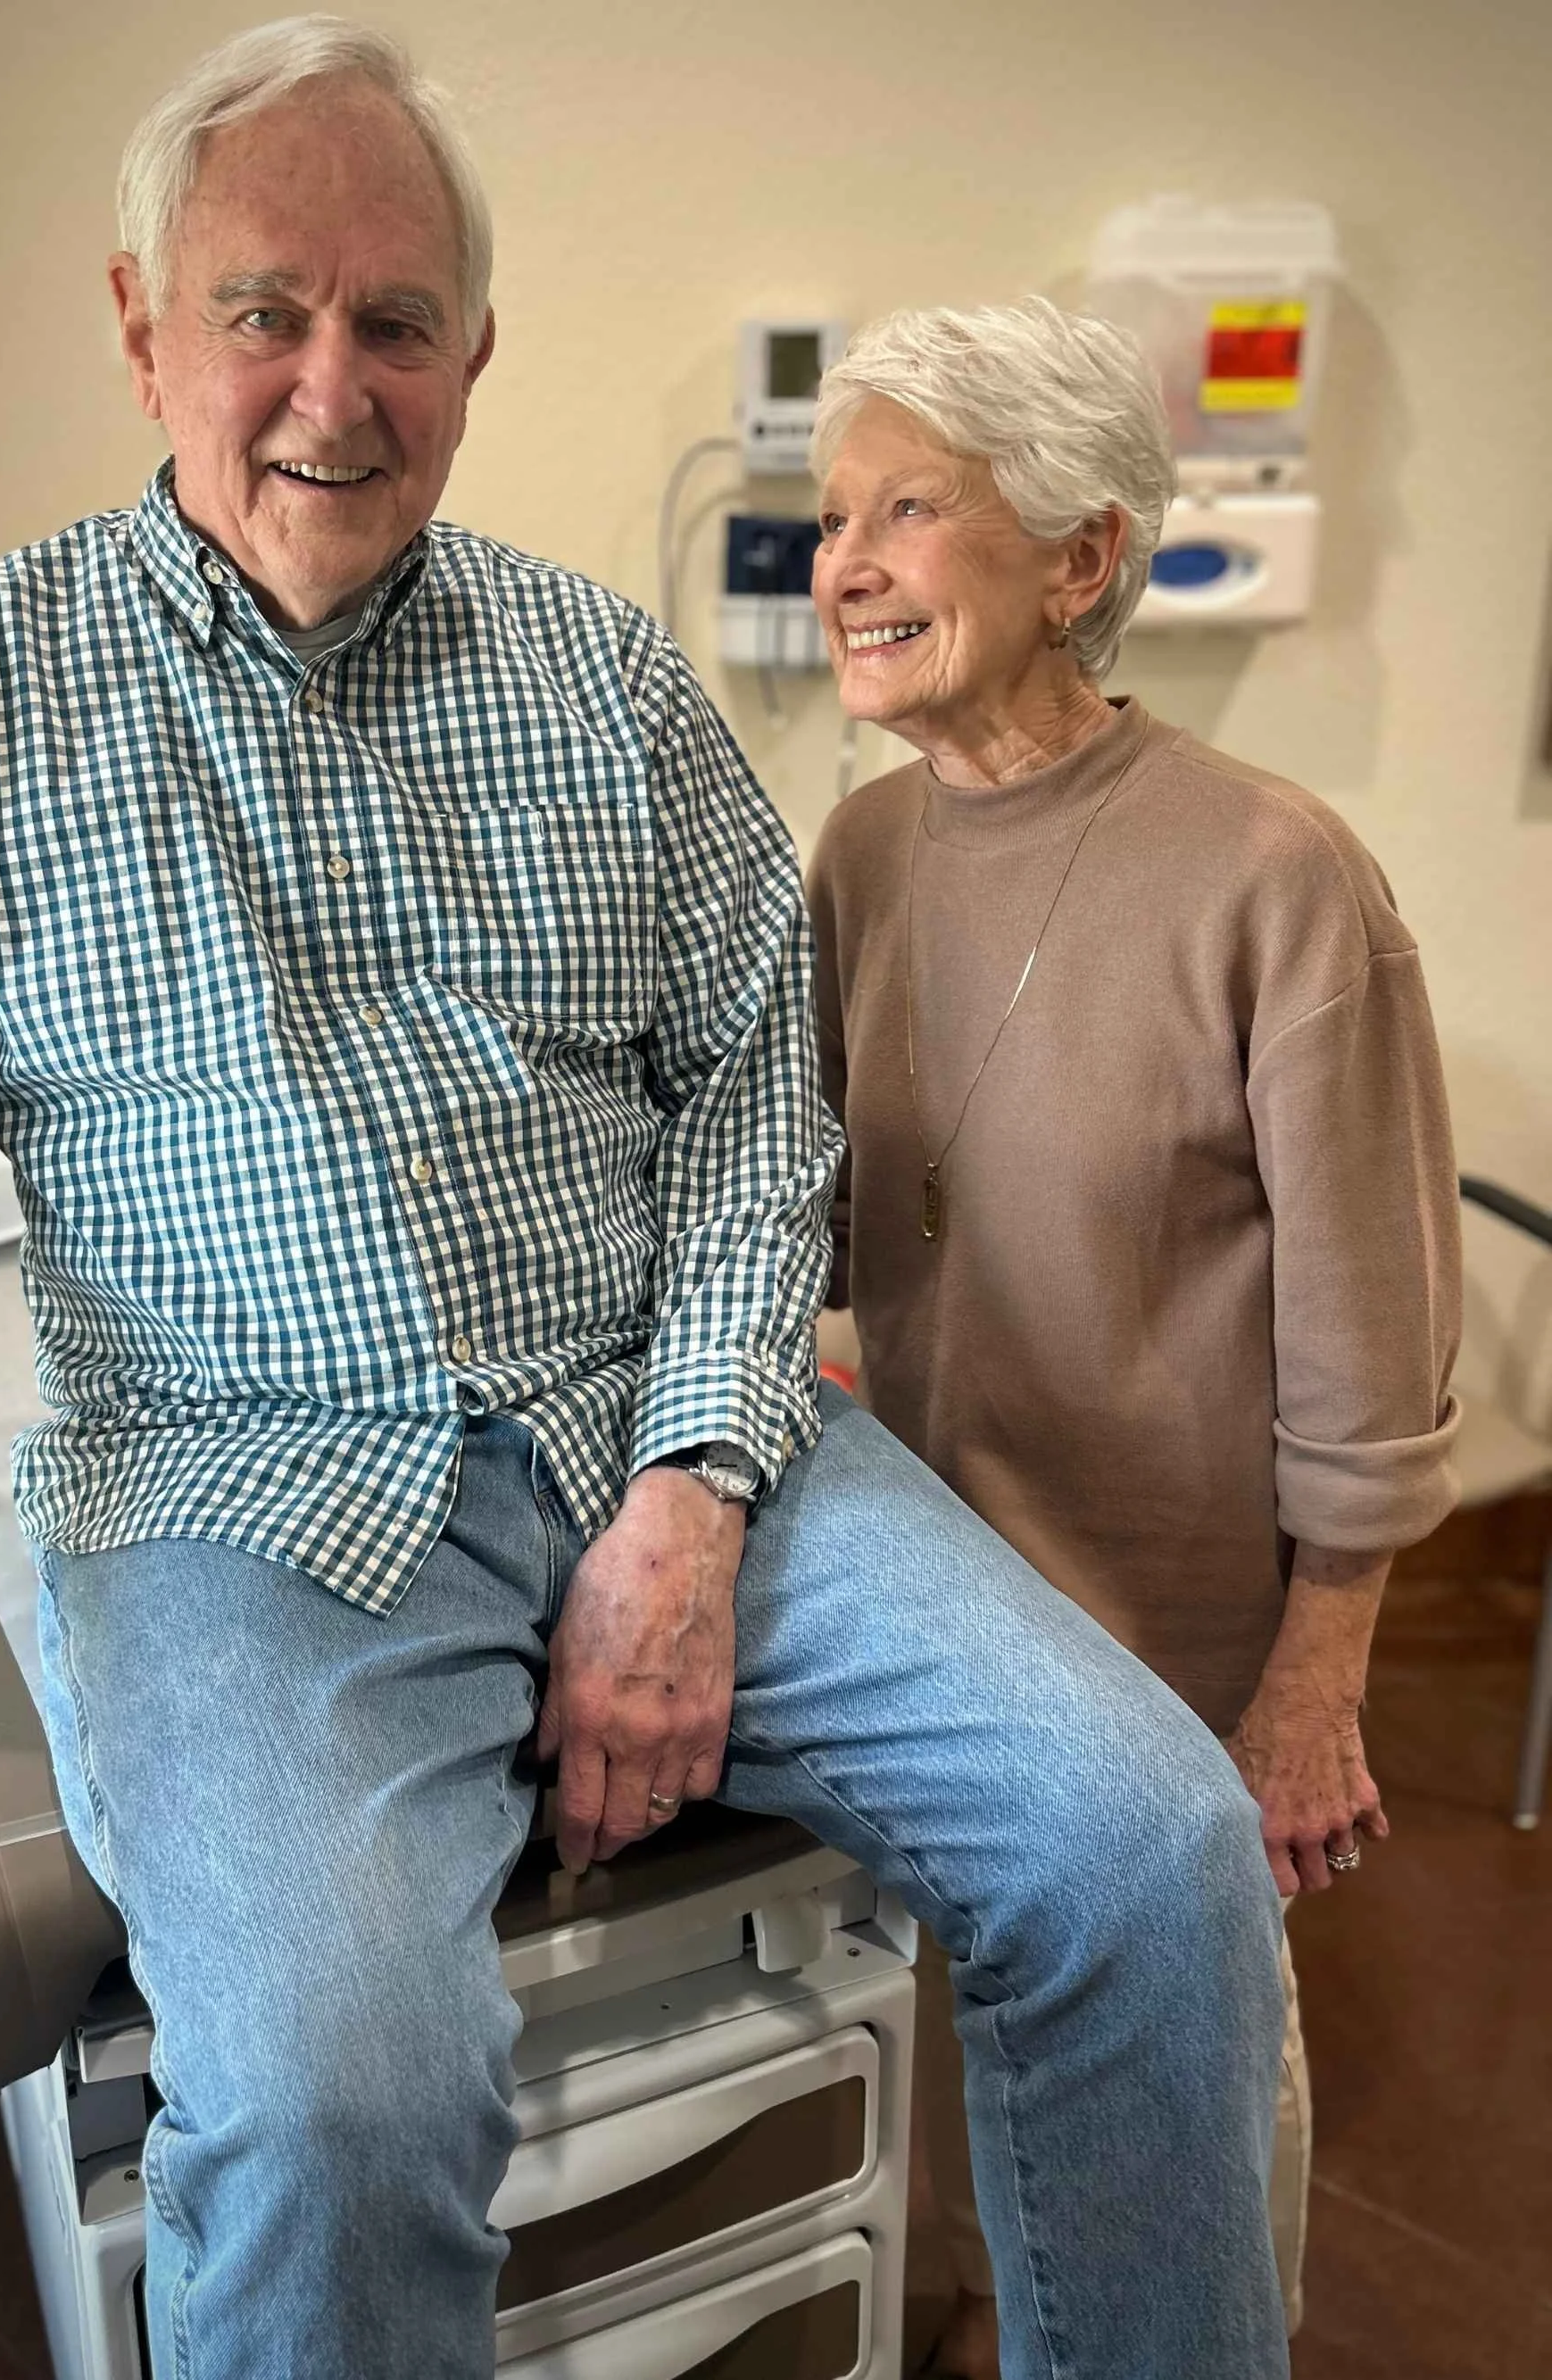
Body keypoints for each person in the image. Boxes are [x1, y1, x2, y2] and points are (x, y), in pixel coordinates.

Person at [0, 29, 1291, 2377]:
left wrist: (692, 1487)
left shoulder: (607, 686)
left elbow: (753, 1107)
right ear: (140, 322)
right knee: (341, 2090)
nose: (329, 389)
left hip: (655, 1416)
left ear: (474, 355)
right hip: (235, 1485)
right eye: (264, 310)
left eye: (397, 324)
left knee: (1151, 1847)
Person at [805, 299, 1461, 2376]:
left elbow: (1373, 1344)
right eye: (832, 515)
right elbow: (834, 1212)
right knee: (962, 2133)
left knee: (1175, 2139)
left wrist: (1309, 1693)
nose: (845, 564)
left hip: (1172, 1644)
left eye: (910, 508)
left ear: (1081, 558)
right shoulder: (866, 847)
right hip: (935, 1620)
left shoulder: (1275, 875)